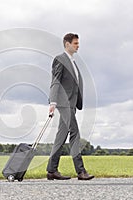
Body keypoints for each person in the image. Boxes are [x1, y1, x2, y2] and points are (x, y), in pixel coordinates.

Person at [47, 33, 94, 181]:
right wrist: (53, 102)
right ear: (67, 44)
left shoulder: (73, 61)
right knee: (75, 133)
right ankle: (81, 171)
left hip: (71, 104)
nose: (78, 45)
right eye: (75, 43)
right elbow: (55, 81)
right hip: (63, 102)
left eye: (78, 43)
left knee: (61, 136)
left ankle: (51, 170)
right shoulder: (60, 59)